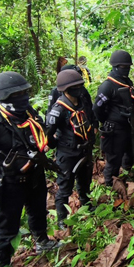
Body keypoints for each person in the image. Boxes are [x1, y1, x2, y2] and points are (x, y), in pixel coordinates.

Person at [0, 71, 61, 267]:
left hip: (34, 175)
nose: (23, 97)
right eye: (16, 94)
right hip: (8, 184)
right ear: (4, 97)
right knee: (7, 226)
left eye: (25, 92)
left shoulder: (29, 114)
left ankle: (42, 242)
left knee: (38, 210)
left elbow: (42, 135)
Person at [46, 70, 96, 229]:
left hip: (84, 149)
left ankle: (86, 203)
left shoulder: (81, 101)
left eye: (80, 85)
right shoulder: (58, 109)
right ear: (65, 89)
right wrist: (55, 145)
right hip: (68, 153)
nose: (79, 88)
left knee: (85, 179)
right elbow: (49, 132)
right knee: (65, 185)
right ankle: (62, 219)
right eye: (75, 86)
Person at [94, 50, 134, 186]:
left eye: (128, 67)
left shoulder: (127, 82)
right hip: (115, 130)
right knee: (114, 160)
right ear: (115, 67)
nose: (126, 70)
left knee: (131, 155)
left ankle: (129, 181)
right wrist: (107, 120)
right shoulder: (108, 86)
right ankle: (111, 186)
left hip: (129, 127)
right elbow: (97, 108)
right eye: (123, 67)